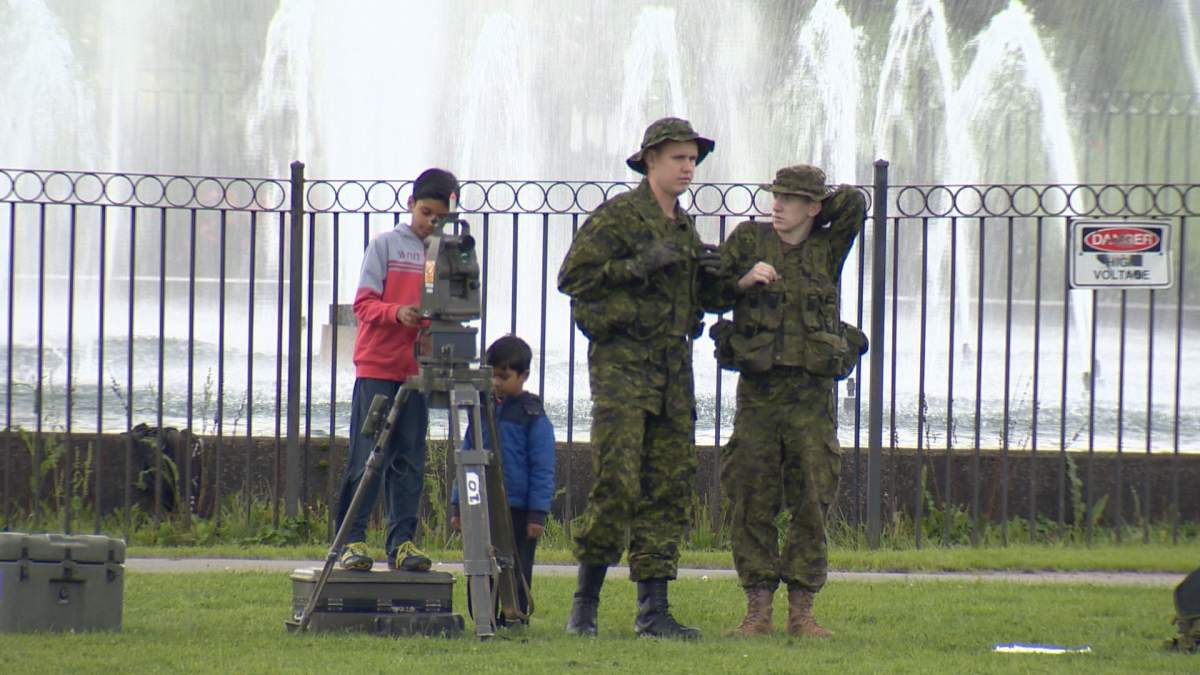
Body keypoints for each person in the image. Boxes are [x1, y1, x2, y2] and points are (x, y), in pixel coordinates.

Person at [557, 117, 724, 639]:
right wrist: (639, 264)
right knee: (618, 484)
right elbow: (573, 278)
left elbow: (696, 293)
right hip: (625, 373)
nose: (688, 167)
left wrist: (735, 278)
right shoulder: (619, 219)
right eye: (679, 158)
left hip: (674, 377)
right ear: (650, 160)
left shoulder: (684, 227)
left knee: (668, 489)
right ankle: (584, 605)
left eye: (693, 159)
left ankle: (654, 610)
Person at [710, 165, 866, 637]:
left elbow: (856, 202)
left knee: (812, 497)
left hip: (811, 396)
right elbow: (708, 290)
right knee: (750, 497)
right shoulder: (748, 240)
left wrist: (817, 205)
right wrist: (742, 280)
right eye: (775, 196)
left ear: (814, 208)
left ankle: (803, 610)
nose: (777, 205)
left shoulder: (826, 245)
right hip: (758, 395)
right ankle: (757, 608)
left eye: (790, 199)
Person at [333, 168, 460, 573]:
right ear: (411, 205)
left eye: (439, 217)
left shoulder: (448, 254)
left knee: (409, 457)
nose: (430, 223)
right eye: (425, 213)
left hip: (417, 372)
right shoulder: (385, 246)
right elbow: (363, 305)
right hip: (378, 366)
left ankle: (402, 542)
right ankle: (351, 541)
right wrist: (397, 313)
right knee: (367, 454)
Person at [450, 334, 557, 621]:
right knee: (481, 562)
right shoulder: (481, 409)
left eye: (503, 376)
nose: (496, 382)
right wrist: (458, 505)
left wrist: (537, 514)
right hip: (481, 504)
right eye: (492, 375)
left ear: (523, 376)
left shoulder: (532, 416)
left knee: (518, 566)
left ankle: (515, 614)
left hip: (519, 509)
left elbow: (542, 467)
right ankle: (482, 615)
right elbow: (467, 457)